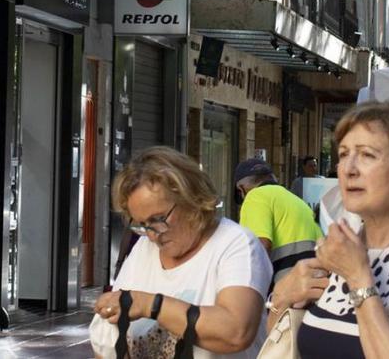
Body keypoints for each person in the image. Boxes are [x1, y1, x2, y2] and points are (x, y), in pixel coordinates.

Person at [267, 98, 389, 358]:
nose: (349, 169)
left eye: (366, 155)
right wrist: (281, 300)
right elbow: (281, 348)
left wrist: (358, 277)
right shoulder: (338, 247)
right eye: (343, 154)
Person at [92, 146, 271, 358]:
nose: (152, 235)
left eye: (158, 219)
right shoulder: (143, 249)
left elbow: (236, 332)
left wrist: (149, 304)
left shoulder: (236, 244)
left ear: (192, 198)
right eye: (142, 224)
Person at [233, 158, 324, 288]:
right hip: (315, 288)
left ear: (241, 189)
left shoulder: (255, 196)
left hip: (287, 290)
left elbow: (259, 249)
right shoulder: (297, 202)